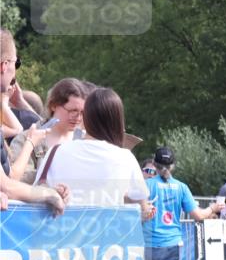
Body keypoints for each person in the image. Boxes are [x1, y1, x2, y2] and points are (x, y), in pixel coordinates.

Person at [36, 87, 152, 215]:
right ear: (118, 121)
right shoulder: (125, 157)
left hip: (61, 232)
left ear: (85, 118)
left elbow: (35, 193)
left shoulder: (56, 152)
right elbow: (142, 208)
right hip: (109, 233)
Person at [8, 78, 88, 184]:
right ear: (53, 105)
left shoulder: (86, 141)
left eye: (82, 112)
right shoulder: (25, 139)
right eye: (73, 111)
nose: (78, 118)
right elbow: (16, 180)